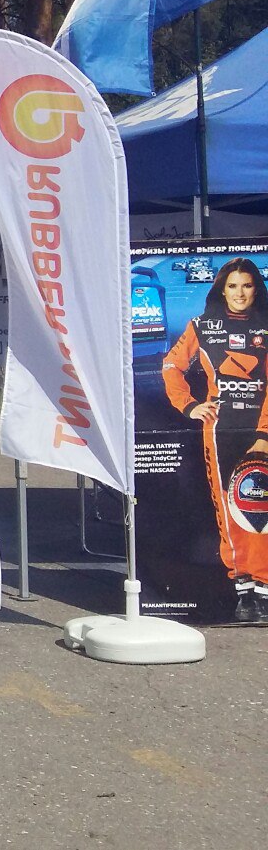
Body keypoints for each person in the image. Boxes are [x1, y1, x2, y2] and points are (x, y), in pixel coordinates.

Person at [161, 257, 268, 623]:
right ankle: (244, 588)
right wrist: (189, 405)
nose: (240, 293)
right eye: (233, 286)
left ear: (256, 289)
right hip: (221, 432)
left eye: (247, 285)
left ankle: (264, 586)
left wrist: (263, 434)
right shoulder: (202, 326)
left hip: (262, 431)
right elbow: (172, 366)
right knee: (229, 507)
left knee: (262, 507)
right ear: (222, 289)